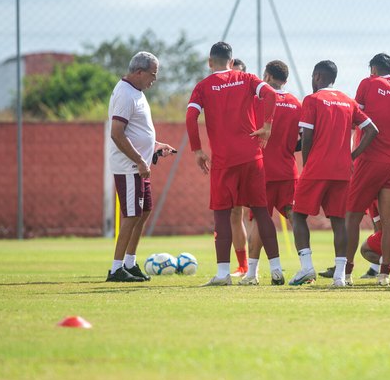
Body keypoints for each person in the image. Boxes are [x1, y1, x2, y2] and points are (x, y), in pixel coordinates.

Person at [186, 42, 283, 286]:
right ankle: (276, 270)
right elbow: (271, 94)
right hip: (252, 156)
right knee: (261, 212)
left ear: (210, 62)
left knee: (222, 214)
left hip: (224, 161)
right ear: (231, 62)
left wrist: (197, 150)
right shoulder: (247, 78)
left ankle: (222, 274)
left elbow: (190, 117)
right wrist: (268, 126)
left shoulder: (203, 86)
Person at [288, 60, 378, 287]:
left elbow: (306, 137)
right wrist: (352, 156)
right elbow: (372, 130)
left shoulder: (312, 99)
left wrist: (307, 165)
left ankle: (307, 268)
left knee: (298, 214)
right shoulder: (348, 101)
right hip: (341, 170)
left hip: (317, 168)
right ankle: (340, 276)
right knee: (339, 221)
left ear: (317, 76)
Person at [345, 53, 390, 286]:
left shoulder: (367, 83)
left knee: (352, 216)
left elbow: (356, 117)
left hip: (369, 159)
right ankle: (384, 274)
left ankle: (345, 272)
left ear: (372, 70)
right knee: (389, 220)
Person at [106, 51, 175, 282]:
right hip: (129, 168)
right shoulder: (125, 94)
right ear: (139, 72)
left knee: (143, 212)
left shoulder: (137, 92)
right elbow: (116, 133)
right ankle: (116, 269)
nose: (154, 80)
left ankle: (130, 263)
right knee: (131, 215)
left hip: (140, 166)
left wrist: (155, 146)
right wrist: (138, 159)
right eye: (152, 75)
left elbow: (137, 132)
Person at [238, 60, 302, 285]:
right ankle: (307, 266)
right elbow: (300, 139)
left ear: (266, 76)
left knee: (258, 220)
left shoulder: (259, 100)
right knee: (297, 218)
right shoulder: (296, 103)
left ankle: (252, 274)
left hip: (262, 171)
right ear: (285, 80)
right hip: (288, 170)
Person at [229, 57, 250, 275]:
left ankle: (304, 264)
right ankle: (244, 267)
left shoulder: (252, 95)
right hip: (229, 160)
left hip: (253, 160)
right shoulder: (221, 98)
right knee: (234, 213)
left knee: (260, 213)